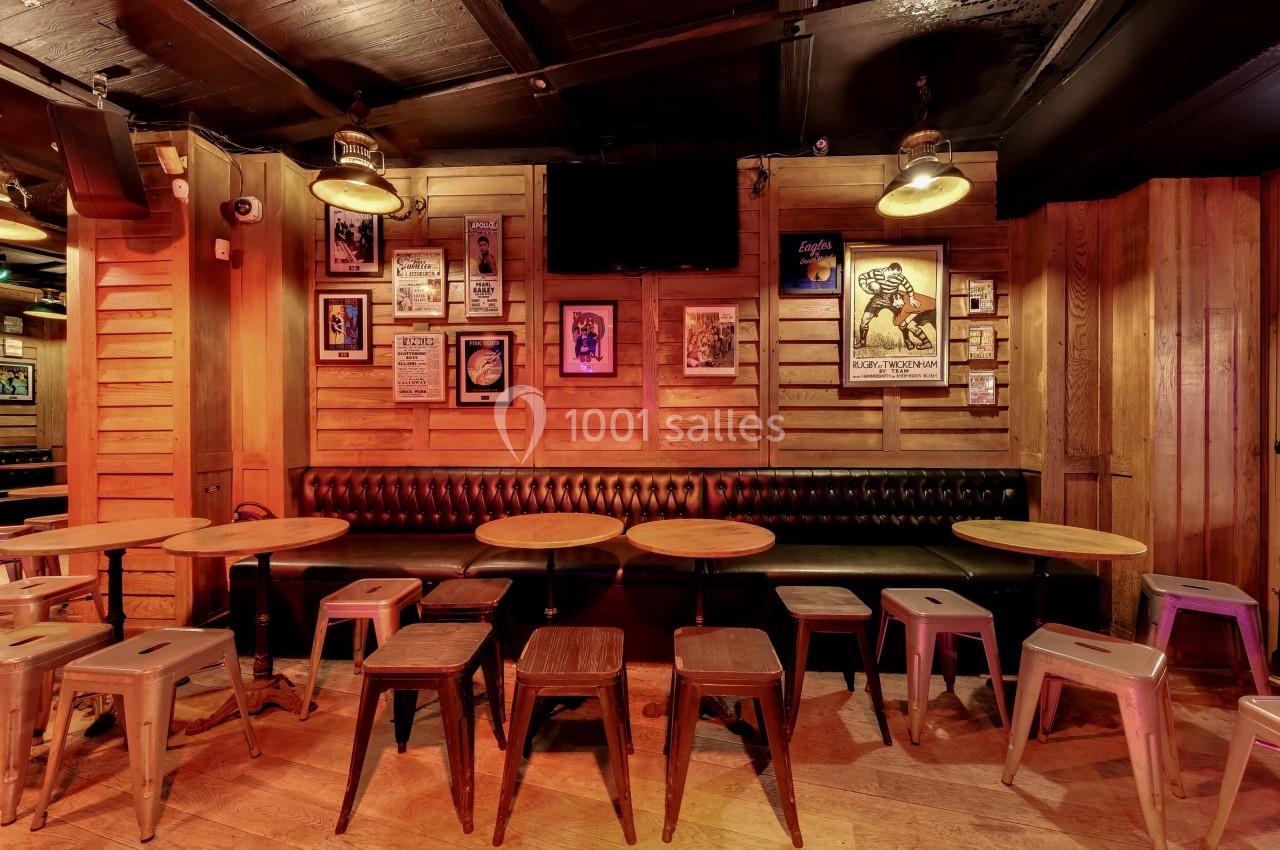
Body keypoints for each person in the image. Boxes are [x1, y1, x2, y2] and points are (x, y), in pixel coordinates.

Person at [855, 262, 920, 349]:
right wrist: (864, 287)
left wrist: (912, 299)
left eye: (898, 274)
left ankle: (907, 340)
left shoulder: (900, 278)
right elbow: (863, 276)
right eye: (895, 274)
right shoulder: (876, 272)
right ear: (889, 269)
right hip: (879, 297)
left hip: (893, 298)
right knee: (865, 319)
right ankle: (862, 342)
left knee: (902, 321)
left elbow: (909, 288)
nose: (896, 276)